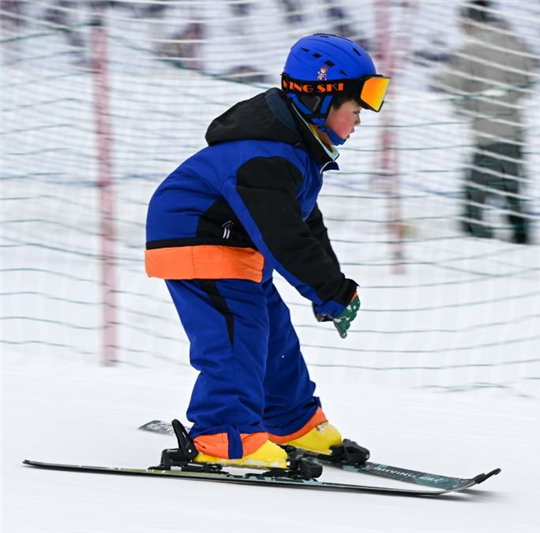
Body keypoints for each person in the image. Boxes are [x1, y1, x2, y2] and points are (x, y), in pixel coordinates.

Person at [145, 34, 390, 468]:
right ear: (320, 98)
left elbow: (305, 225)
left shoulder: (297, 151)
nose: (361, 117)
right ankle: (225, 435)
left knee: (274, 333)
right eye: (355, 107)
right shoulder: (264, 155)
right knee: (239, 334)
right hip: (197, 237)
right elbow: (283, 237)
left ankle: (291, 421)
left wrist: (332, 289)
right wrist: (328, 290)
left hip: (234, 247)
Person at [436, 0, 534, 244]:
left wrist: (466, 109)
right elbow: (528, 80)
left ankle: (474, 231)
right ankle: (521, 232)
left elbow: (453, 84)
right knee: (513, 184)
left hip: (487, 132)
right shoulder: (512, 42)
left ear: (470, 20)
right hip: (515, 128)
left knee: (476, 183)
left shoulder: (471, 48)